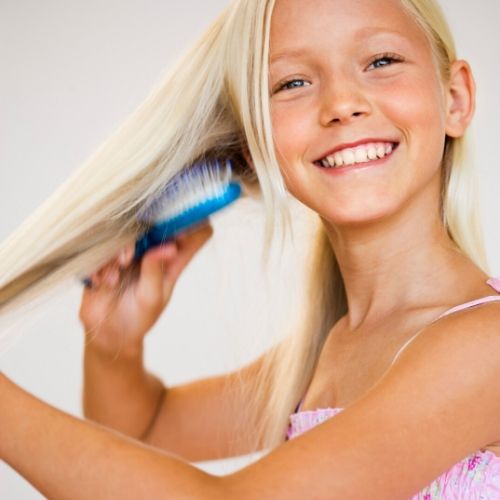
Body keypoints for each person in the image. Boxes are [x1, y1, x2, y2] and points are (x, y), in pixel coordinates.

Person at [1, 0, 499, 497]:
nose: (342, 104)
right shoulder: (328, 351)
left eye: (381, 61)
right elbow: (143, 428)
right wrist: (115, 345)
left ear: (454, 98)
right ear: (252, 144)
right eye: (292, 83)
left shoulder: (485, 346)